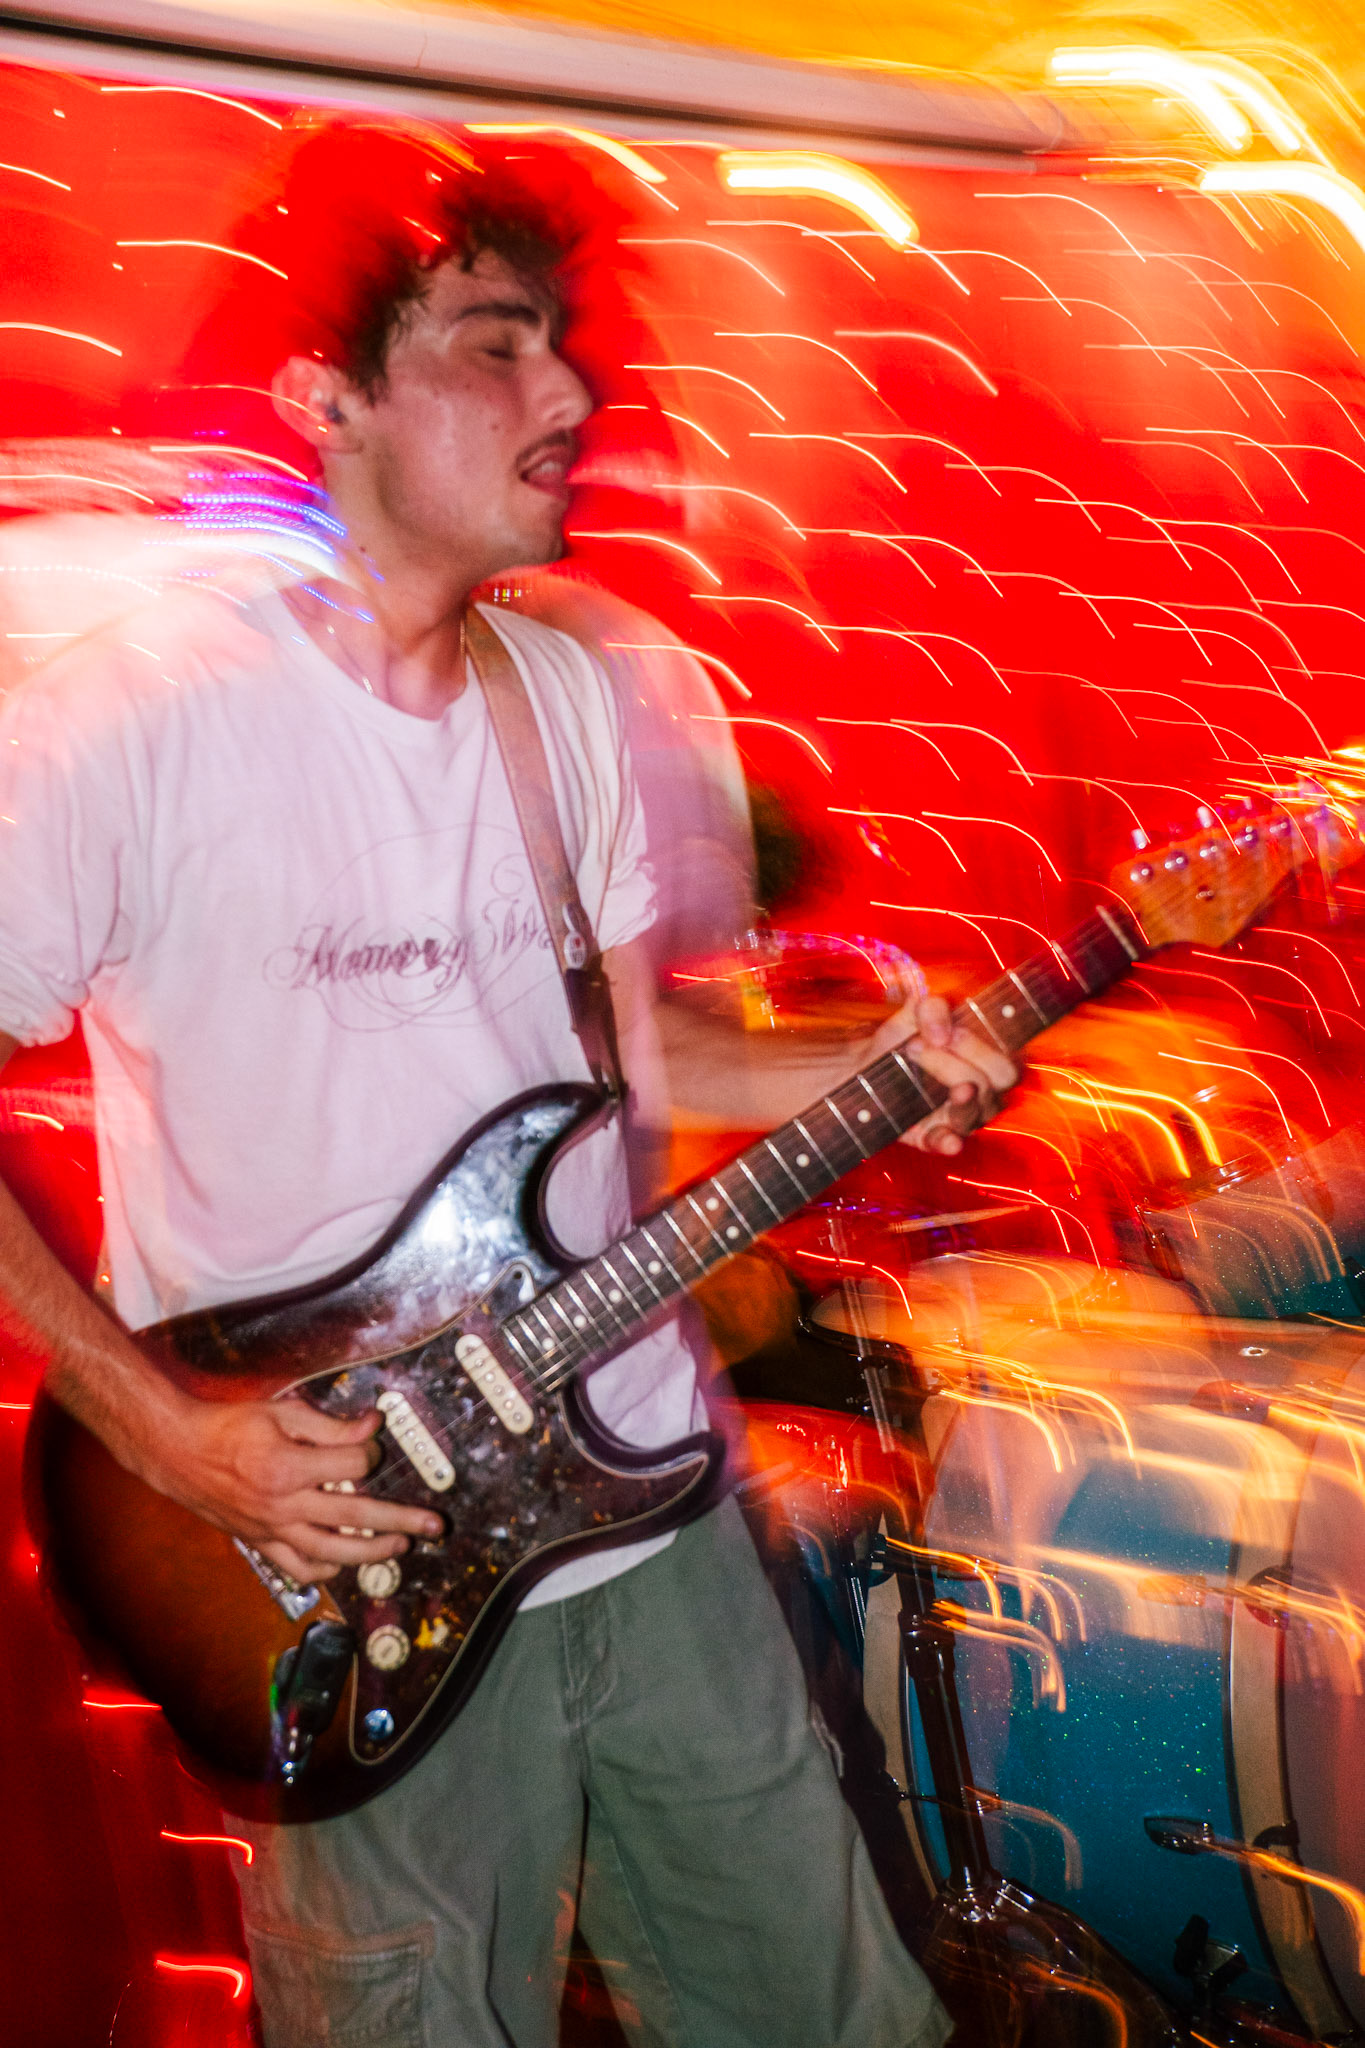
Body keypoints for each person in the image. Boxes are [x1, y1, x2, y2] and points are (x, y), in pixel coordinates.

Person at [0, 119, 1015, 2046]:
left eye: (562, 344)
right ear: (325, 395)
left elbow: (624, 1068)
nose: (568, 394)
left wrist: (875, 1063)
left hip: (648, 1507)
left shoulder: (568, 699)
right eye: (494, 344)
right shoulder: (129, 722)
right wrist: (173, 1437)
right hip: (347, 1560)